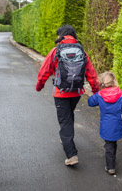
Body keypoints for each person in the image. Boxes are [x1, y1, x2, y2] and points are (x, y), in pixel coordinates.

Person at [36, 25, 99, 166]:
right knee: (69, 114)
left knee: (65, 121)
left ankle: (71, 155)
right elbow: (91, 74)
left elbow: (44, 70)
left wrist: (39, 86)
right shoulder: (82, 51)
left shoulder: (56, 51)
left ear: (61, 36)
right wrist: (96, 91)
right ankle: (65, 138)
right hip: (76, 92)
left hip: (61, 93)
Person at [88, 72, 122, 175]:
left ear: (102, 83)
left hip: (106, 125)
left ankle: (110, 167)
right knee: (113, 143)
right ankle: (112, 160)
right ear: (114, 81)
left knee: (109, 145)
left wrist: (97, 94)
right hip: (117, 125)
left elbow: (90, 102)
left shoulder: (100, 95)